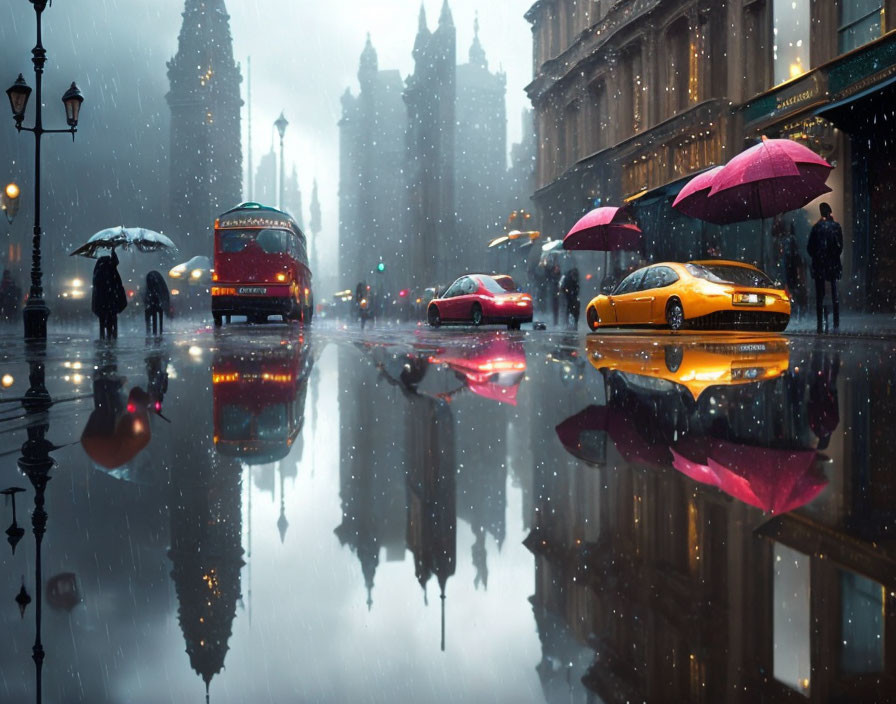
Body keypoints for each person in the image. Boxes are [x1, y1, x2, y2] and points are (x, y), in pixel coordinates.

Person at [806, 202, 843, 333]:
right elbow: (840, 247)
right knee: (834, 294)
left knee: (819, 295)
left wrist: (817, 256)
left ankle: (820, 323)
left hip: (819, 265)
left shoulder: (816, 228)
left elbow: (809, 248)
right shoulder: (836, 227)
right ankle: (836, 323)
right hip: (832, 265)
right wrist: (833, 256)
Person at [92, 249, 127, 340]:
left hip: (102, 303)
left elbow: (96, 288)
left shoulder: (99, 271)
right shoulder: (112, 270)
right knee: (112, 323)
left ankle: (104, 339)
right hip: (112, 303)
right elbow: (118, 285)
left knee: (103, 322)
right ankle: (112, 339)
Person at [142, 270, 170, 335]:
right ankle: (155, 332)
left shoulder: (152, 281)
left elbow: (147, 294)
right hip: (156, 302)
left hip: (154, 302)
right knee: (155, 315)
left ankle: (150, 332)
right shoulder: (158, 282)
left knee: (152, 315)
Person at [546, 259, 562, 326]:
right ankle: (554, 321)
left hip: (558, 294)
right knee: (554, 308)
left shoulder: (559, 276)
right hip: (553, 293)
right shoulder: (552, 275)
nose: (557, 269)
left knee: (557, 308)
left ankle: (556, 322)